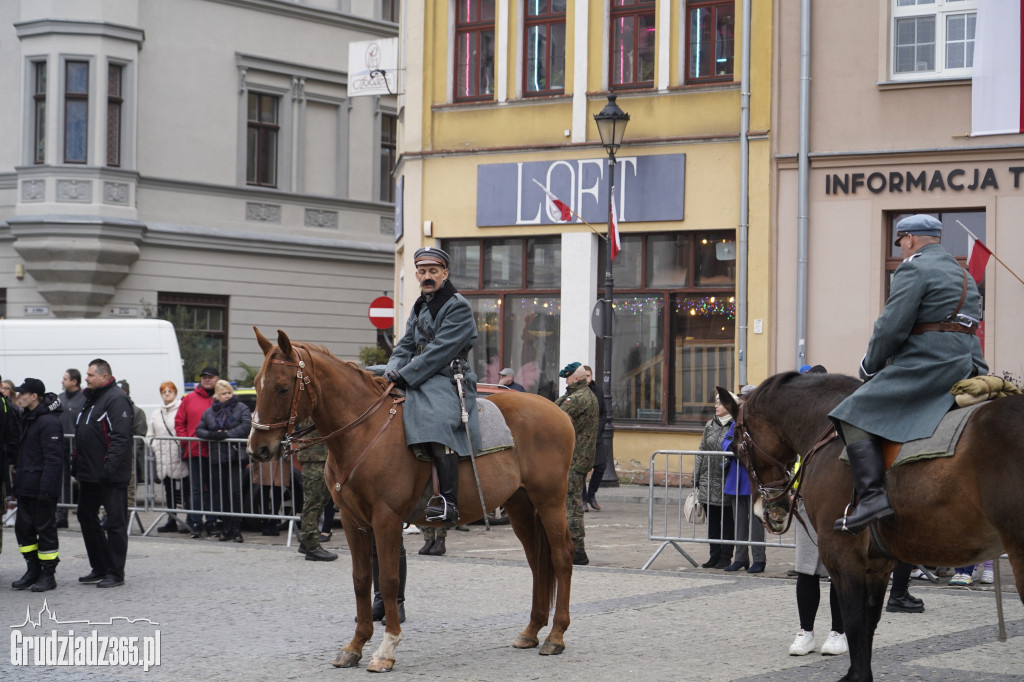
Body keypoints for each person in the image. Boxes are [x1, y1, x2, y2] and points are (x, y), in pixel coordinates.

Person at [829, 214, 987, 534]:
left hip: (926, 366)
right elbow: (970, 329)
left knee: (850, 413)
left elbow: (891, 327)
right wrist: (977, 371)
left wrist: (870, 364)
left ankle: (872, 497)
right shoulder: (966, 275)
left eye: (900, 242)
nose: (900, 248)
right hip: (966, 365)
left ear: (910, 239)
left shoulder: (914, 268)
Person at [383, 246, 479, 527]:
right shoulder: (420, 304)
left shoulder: (457, 305)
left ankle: (449, 501)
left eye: (433, 271)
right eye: (423, 271)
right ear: (416, 274)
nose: (427, 276)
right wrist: (391, 371)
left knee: (437, 421)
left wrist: (406, 375)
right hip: (417, 371)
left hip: (446, 376)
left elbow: (441, 350)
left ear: (444, 273)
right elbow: (405, 345)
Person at [73, 359, 134, 588]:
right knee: (85, 515)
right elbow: (84, 432)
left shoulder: (116, 398)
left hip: (110, 475)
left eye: (90, 375)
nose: (86, 378)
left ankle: (115, 572)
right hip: (90, 473)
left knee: (116, 523)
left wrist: (109, 468)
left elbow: (120, 437)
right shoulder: (92, 398)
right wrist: (76, 462)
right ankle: (99, 566)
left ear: (104, 376)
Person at [10, 379, 64, 592]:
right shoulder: (27, 418)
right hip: (25, 486)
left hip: (42, 488)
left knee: (45, 530)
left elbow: (53, 459)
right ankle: (32, 570)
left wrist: (47, 489)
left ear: (34, 396)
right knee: (23, 529)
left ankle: (48, 574)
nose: (18, 396)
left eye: (22, 393)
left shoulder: (48, 421)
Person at [789, 495, 848, 656]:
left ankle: (839, 632)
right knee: (806, 568)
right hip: (808, 499)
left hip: (840, 500)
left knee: (839, 569)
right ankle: (806, 631)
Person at [196, 380, 251, 543]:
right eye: (223, 394)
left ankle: (237, 529)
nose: (227, 396)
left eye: (229, 393)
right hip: (218, 458)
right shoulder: (209, 412)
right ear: (217, 396)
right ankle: (225, 528)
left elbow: (246, 426)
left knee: (235, 493)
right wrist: (213, 435)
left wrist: (226, 434)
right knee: (223, 494)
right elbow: (199, 430)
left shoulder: (242, 408)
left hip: (235, 457)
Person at [555, 362, 599, 566]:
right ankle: (573, 547)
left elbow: (553, 417)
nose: (565, 381)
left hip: (573, 458)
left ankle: (577, 550)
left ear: (574, 379)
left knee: (571, 503)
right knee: (571, 501)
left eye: (567, 378)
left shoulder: (578, 398)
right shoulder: (585, 394)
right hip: (579, 457)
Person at [722, 384, 767, 573]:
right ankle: (740, 557)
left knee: (757, 521)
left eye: (744, 398)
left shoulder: (761, 421)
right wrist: (735, 447)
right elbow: (726, 441)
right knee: (739, 520)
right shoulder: (736, 421)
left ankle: (759, 559)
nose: (741, 401)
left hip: (754, 477)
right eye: (740, 398)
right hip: (737, 477)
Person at [175, 366, 218, 538]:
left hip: (215, 452)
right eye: (204, 377)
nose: (207, 379)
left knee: (214, 490)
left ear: (217, 378)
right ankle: (195, 522)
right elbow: (179, 422)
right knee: (196, 490)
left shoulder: (221, 397)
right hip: (195, 451)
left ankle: (213, 522)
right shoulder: (189, 398)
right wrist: (186, 442)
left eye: (210, 377)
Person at [694, 394, 734, 569]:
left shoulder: (735, 426)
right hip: (707, 480)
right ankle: (714, 555)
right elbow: (702, 449)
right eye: (715, 402)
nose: (716, 406)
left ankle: (726, 556)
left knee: (727, 521)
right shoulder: (710, 425)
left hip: (726, 480)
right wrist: (696, 476)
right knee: (712, 521)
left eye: (720, 403)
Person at [147, 381, 190, 533]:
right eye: (164, 391)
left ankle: (189, 520)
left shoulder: (181, 409)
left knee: (186, 489)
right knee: (169, 490)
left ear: (175, 393)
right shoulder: (156, 413)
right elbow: (150, 434)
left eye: (170, 391)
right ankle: (171, 519)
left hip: (178, 454)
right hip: (162, 456)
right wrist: (154, 446)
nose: (167, 394)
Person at [295, 423, 338, 561]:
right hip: (314, 457)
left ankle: (305, 542)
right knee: (313, 501)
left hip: (322, 456)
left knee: (322, 500)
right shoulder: (309, 405)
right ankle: (312, 547)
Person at [55, 369, 85, 528]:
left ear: (74, 382)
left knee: (82, 481)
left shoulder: (84, 399)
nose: (62, 381)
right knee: (62, 482)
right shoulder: (58, 399)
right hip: (61, 446)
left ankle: (85, 514)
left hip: (79, 447)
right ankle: (61, 515)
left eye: (65, 379)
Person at [582, 365, 609, 512]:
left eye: (588, 375)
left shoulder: (598, 390)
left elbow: (604, 413)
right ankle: (583, 499)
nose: (587, 378)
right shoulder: (577, 391)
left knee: (601, 466)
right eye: (584, 376)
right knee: (581, 470)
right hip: (581, 438)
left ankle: (592, 495)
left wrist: (599, 428)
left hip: (596, 436)